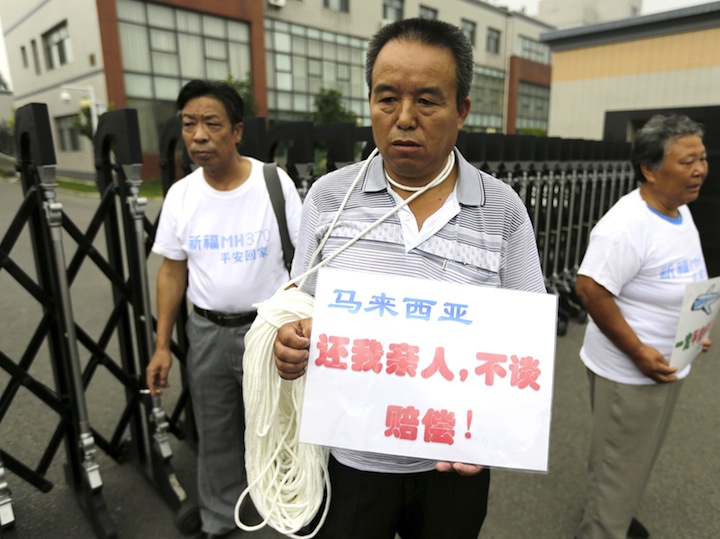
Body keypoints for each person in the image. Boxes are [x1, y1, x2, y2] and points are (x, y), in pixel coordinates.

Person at [272, 17, 547, 539]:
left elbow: (525, 341)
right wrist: (289, 344)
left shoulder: (502, 210)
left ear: (461, 109)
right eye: (387, 98)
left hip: (451, 461)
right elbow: (298, 311)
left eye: (427, 100)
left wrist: (493, 432)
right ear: (369, 102)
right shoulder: (330, 198)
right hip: (350, 460)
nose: (403, 119)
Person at [146, 79, 302, 539]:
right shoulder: (181, 196)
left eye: (211, 124)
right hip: (207, 333)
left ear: (236, 132)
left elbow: (303, 260)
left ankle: (282, 516)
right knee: (215, 434)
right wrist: (161, 347)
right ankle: (220, 522)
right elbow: (172, 273)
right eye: (189, 124)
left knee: (276, 427)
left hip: (266, 331)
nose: (197, 136)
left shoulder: (273, 183)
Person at [574, 114, 712, 539]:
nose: (700, 170)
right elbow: (590, 288)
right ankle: (601, 530)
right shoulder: (625, 227)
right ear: (650, 170)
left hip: (669, 361)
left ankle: (612, 516)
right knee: (618, 462)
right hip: (631, 372)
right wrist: (636, 351)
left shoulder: (677, 210)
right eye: (688, 161)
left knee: (637, 456)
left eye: (703, 158)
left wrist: (697, 325)